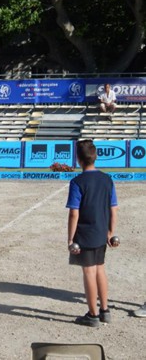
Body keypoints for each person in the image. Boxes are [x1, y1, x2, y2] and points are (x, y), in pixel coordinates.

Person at [66, 139, 118, 327]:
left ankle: (92, 314)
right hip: (101, 232)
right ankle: (105, 310)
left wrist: (71, 238)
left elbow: (74, 212)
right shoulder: (107, 179)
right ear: (95, 157)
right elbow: (114, 208)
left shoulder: (77, 182)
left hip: (85, 234)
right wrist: (110, 231)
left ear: (78, 159)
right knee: (100, 269)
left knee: (89, 271)